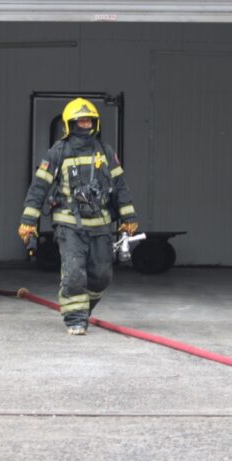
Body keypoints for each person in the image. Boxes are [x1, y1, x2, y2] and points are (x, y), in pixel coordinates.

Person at [18, 97, 139, 335]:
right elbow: (38, 189)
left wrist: (128, 218)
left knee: (102, 276)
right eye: (79, 121)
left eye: (88, 121)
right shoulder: (57, 153)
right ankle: (75, 319)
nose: (84, 125)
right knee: (74, 273)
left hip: (101, 225)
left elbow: (120, 186)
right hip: (69, 225)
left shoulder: (105, 152)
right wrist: (28, 222)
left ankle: (83, 308)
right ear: (69, 124)